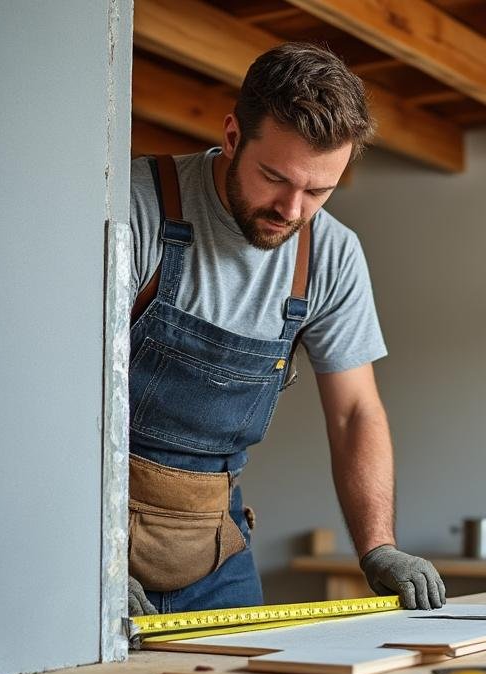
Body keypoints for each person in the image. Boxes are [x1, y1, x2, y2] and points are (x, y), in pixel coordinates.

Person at [124, 42, 445, 615]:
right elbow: (50, 400)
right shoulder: (136, 209)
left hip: (214, 550)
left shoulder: (333, 255)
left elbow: (355, 413)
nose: (292, 210)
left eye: (318, 191)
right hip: (95, 532)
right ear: (231, 136)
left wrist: (379, 548)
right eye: (275, 178)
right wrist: (77, 556)